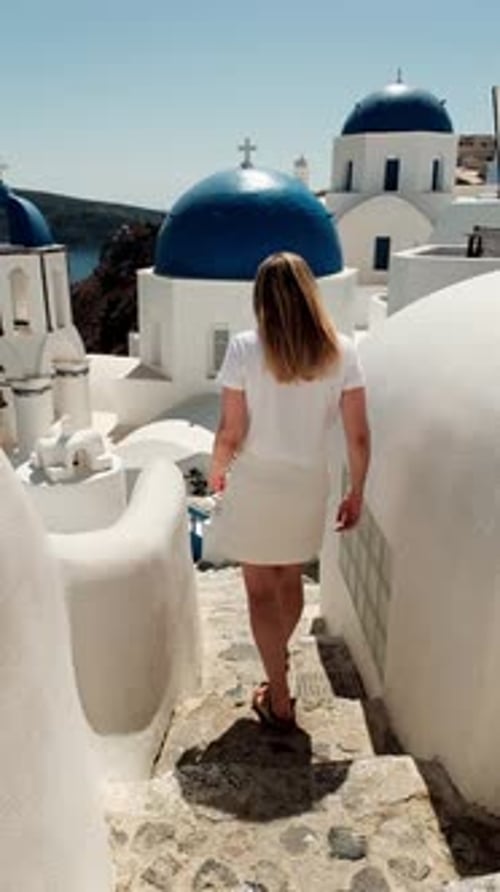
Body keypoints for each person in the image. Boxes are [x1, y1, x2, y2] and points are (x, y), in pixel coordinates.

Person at [208, 252, 370, 731]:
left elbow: (230, 432)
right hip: (307, 485)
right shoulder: (342, 351)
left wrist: (217, 471)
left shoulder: (243, 348)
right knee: (289, 580)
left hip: (256, 483)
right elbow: (359, 435)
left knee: (260, 593)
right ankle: (279, 672)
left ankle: (277, 693)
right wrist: (356, 491)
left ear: (261, 299)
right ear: (310, 292)